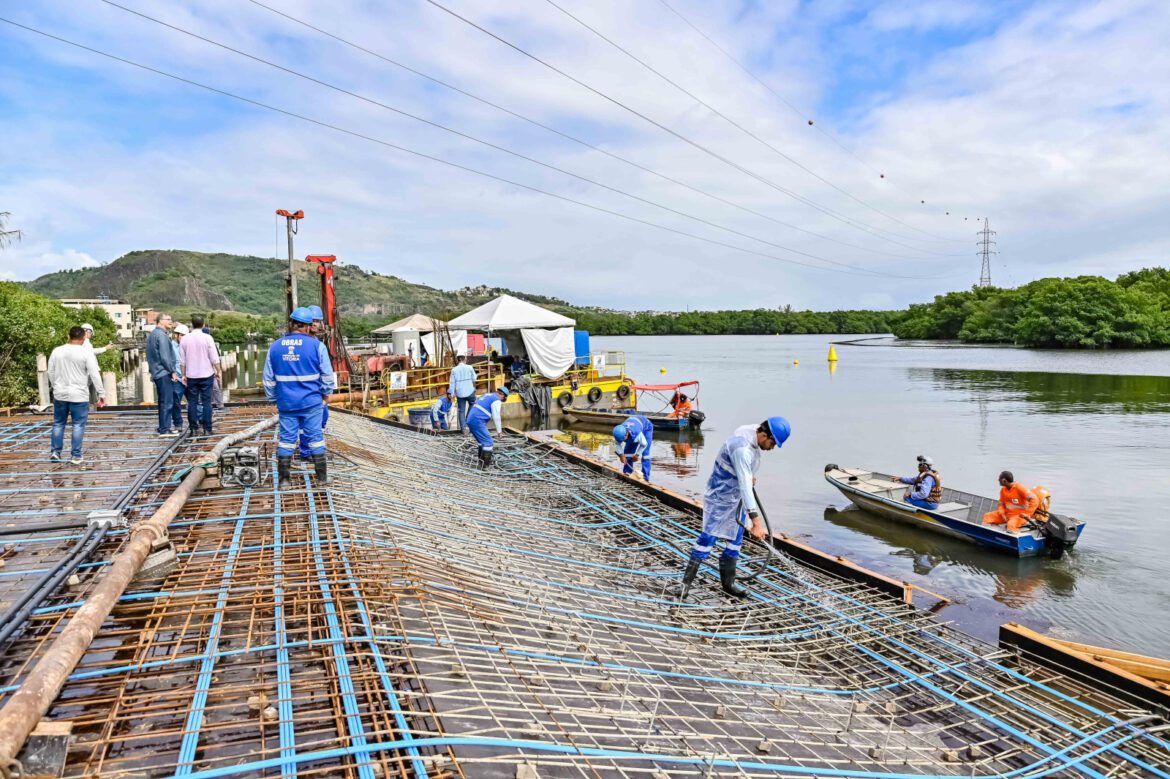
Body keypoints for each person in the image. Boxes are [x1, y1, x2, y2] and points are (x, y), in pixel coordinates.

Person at [681, 417, 791, 598]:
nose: (772, 448)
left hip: (737, 498)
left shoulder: (752, 431)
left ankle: (728, 584)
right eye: (772, 443)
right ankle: (685, 585)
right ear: (764, 435)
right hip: (720, 497)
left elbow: (744, 476)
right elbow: (745, 484)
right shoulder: (742, 449)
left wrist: (747, 473)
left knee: (735, 541)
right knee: (707, 539)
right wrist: (756, 522)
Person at [265, 307, 334, 486]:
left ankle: (284, 481)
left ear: (291, 324)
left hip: (286, 404)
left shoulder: (275, 347)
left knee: (286, 441)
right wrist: (326, 396)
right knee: (316, 438)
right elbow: (327, 376)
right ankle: (322, 478)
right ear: (306, 326)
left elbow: (268, 380)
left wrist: (275, 398)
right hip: (312, 403)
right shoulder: (317, 346)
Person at [47, 326, 105, 464]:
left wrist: (55, 386)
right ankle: (76, 455)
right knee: (78, 425)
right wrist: (101, 393)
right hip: (79, 394)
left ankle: (56, 452)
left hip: (60, 394)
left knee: (58, 423)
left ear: (69, 335)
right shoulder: (86, 353)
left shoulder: (57, 351)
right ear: (83, 337)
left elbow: (50, 372)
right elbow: (94, 374)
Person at [180, 315, 221, 436]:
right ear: (203, 325)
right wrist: (218, 371)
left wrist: (183, 374)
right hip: (206, 374)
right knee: (206, 402)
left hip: (191, 375)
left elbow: (182, 361)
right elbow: (214, 357)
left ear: (191, 324)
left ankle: (193, 428)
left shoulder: (185, 339)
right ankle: (207, 429)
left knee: (192, 402)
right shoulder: (207, 338)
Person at [298, 306, 329, 459]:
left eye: (318, 321)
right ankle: (306, 452)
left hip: (317, 390)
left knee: (322, 421)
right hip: (305, 391)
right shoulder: (301, 343)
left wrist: (326, 393)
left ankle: (316, 449)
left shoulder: (317, 342)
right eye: (314, 321)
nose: (317, 324)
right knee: (306, 424)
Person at [145, 313, 179, 438]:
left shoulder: (153, 334)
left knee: (162, 401)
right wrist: (172, 371)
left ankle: (163, 427)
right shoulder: (161, 335)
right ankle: (165, 429)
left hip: (157, 372)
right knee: (167, 402)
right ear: (160, 321)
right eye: (168, 319)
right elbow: (165, 356)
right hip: (163, 372)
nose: (171, 321)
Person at [466, 385, 509, 468]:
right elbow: (496, 416)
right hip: (477, 420)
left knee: (481, 442)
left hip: (471, 418)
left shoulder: (487, 395)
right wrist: (499, 431)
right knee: (488, 442)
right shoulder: (496, 400)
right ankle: (484, 467)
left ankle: (480, 463)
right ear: (503, 396)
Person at [613, 415, 653, 481]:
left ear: (626, 434)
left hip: (646, 427)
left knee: (645, 454)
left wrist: (637, 455)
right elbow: (617, 444)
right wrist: (621, 455)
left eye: (623, 440)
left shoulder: (637, 433)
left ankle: (645, 477)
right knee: (628, 453)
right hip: (633, 426)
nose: (622, 441)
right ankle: (627, 473)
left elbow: (644, 444)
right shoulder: (619, 431)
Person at [448, 353, 477, 434]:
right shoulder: (470, 367)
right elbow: (474, 378)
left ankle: (463, 429)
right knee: (473, 404)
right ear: (465, 359)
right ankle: (468, 420)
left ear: (457, 360)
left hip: (460, 393)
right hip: (470, 391)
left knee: (461, 411)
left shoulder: (454, 370)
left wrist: (451, 393)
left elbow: (452, 383)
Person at [170, 324, 189, 433]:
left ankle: (196, 422)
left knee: (193, 401)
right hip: (177, 378)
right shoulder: (171, 346)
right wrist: (173, 374)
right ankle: (178, 424)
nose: (183, 337)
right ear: (176, 335)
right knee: (175, 402)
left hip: (189, 378)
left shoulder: (189, 345)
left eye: (184, 335)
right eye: (181, 335)